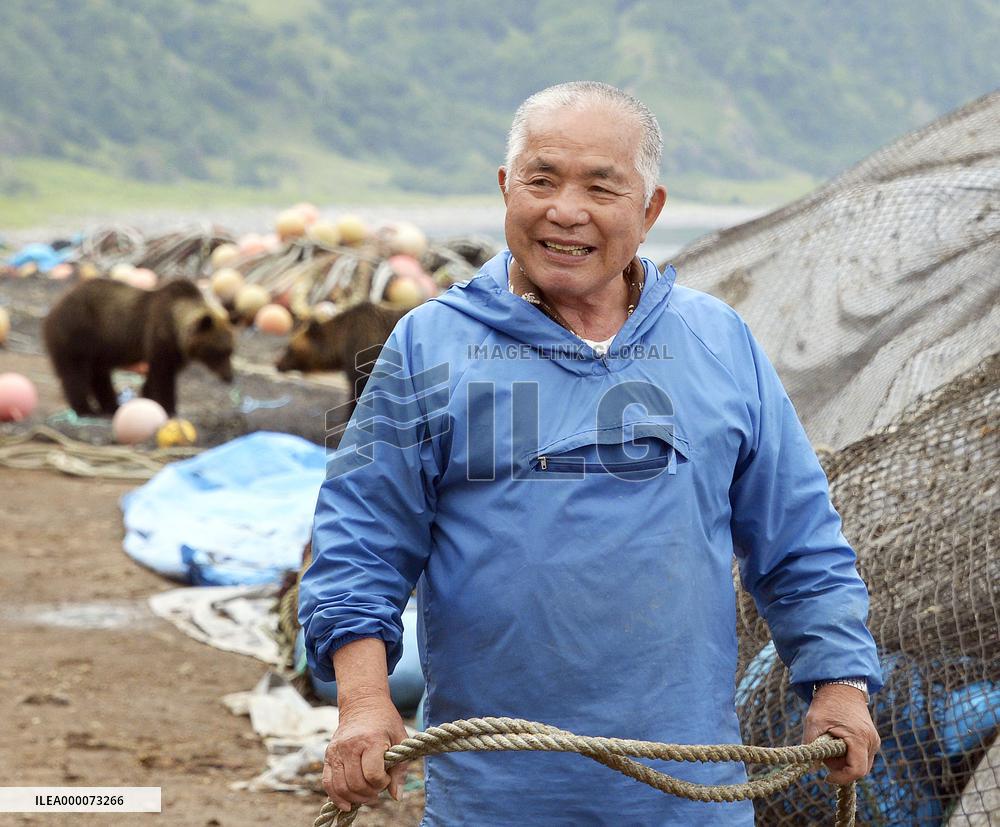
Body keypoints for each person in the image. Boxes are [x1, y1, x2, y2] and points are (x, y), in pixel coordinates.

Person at [299, 81, 882, 825]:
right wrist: (362, 700)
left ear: (650, 208)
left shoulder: (717, 340)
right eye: (541, 180)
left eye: (601, 188)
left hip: (687, 796)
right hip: (495, 799)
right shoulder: (430, 344)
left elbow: (799, 537)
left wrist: (839, 683)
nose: (565, 211)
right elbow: (360, 538)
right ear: (506, 188)